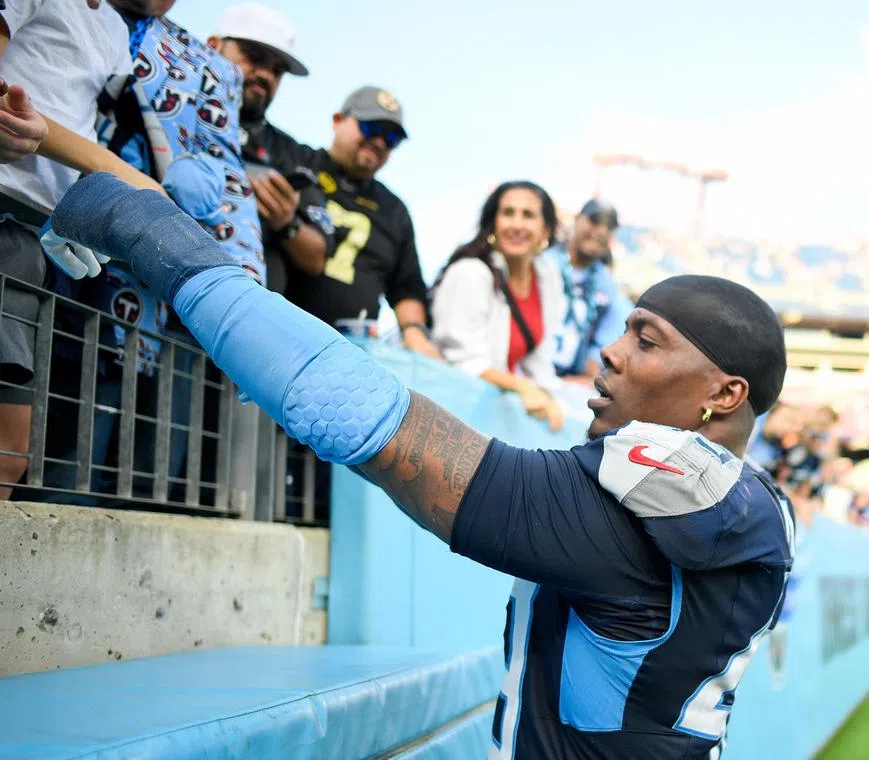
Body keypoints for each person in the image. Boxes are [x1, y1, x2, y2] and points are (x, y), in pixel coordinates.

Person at [47, 172, 795, 759]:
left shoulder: (648, 497)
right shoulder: (749, 505)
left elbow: (367, 422)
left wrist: (137, 226)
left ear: (724, 394)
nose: (610, 352)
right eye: (624, 328)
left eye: (648, 340)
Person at [0, 0, 167, 497]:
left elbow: (73, 116)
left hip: (38, 241)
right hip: (6, 217)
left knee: (10, 454)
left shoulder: (115, 31)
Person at [280, 85, 439, 359]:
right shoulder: (295, 161)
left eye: (391, 138)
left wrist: (415, 335)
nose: (379, 142)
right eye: (370, 128)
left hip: (349, 361)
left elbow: (407, 287)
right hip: (280, 342)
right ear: (338, 121)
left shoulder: (394, 210)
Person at [207, 2, 332, 297]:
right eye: (254, 57)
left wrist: (286, 222)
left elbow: (318, 257)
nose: (265, 75)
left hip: (241, 320)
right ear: (213, 45)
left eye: (278, 71)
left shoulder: (294, 155)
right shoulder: (165, 107)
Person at [431, 181, 567, 431]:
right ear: (493, 222)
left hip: (487, 417)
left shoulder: (548, 277)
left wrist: (548, 398)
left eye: (528, 215)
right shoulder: (470, 273)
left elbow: (539, 363)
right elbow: (463, 364)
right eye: (507, 213)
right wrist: (522, 386)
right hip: (447, 415)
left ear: (546, 229)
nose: (516, 224)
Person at [547, 199, 628, 385]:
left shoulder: (608, 287)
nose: (600, 230)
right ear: (577, 220)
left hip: (566, 382)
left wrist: (588, 378)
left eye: (609, 226)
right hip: (522, 373)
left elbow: (605, 340)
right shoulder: (544, 263)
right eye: (595, 220)